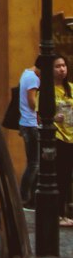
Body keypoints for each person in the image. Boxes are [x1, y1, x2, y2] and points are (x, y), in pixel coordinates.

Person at [19, 57, 41, 209]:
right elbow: (32, 102)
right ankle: (25, 196)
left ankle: (30, 196)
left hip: (25, 123)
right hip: (32, 124)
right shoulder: (33, 78)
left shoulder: (26, 73)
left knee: (33, 163)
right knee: (34, 164)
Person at [55, 56, 73, 227]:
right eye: (58, 66)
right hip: (59, 138)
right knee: (61, 177)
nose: (62, 69)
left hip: (72, 136)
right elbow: (40, 116)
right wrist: (54, 117)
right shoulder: (46, 91)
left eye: (64, 66)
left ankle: (66, 211)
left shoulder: (71, 89)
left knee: (68, 178)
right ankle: (59, 213)